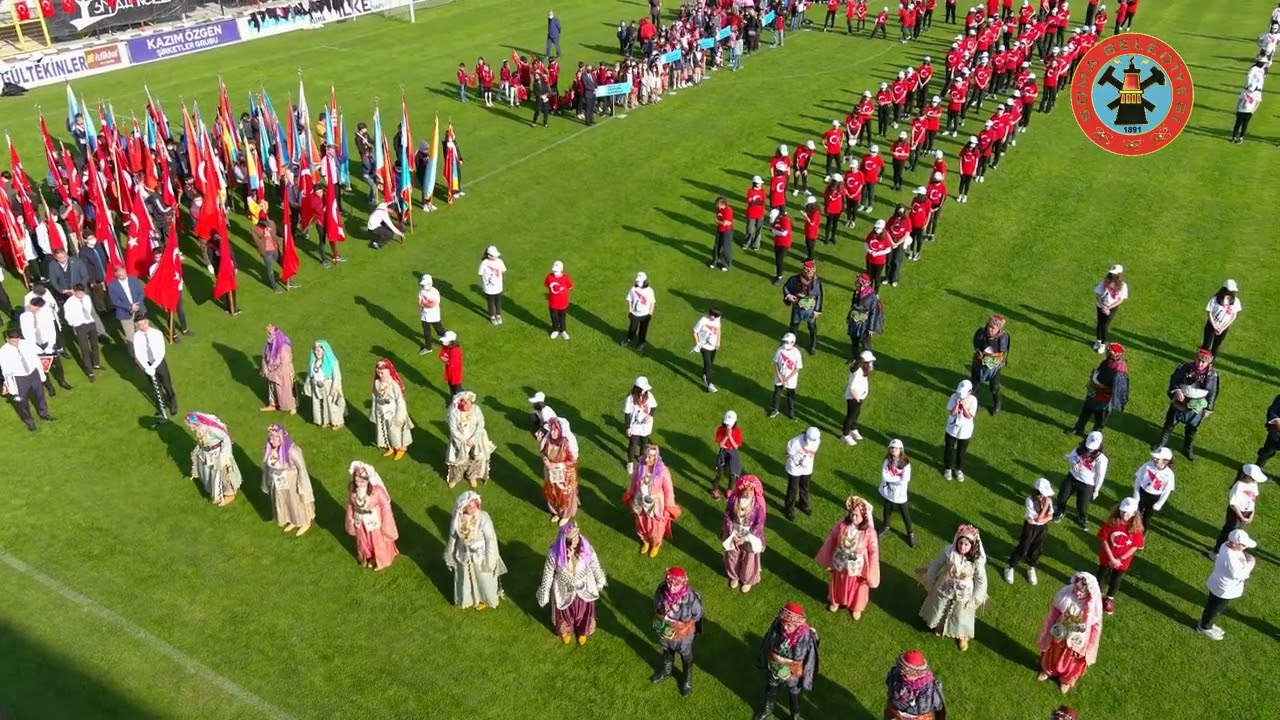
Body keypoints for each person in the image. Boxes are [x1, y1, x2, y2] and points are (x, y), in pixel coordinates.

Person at [918, 523, 988, 651]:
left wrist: (976, 597)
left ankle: (962, 635)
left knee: (961, 613)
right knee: (940, 606)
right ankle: (939, 626)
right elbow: (935, 564)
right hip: (945, 586)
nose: (962, 547)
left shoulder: (977, 560)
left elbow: (981, 580)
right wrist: (930, 581)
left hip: (964, 593)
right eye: (960, 543)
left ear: (972, 545)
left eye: (966, 544)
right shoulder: (949, 552)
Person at [536, 522, 608, 645]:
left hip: (583, 588)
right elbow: (548, 574)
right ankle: (566, 632)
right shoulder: (554, 554)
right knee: (564, 615)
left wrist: (600, 580)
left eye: (577, 536)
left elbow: (594, 564)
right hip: (563, 590)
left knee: (584, 613)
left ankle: (583, 631)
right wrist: (544, 593)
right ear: (565, 540)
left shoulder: (585, 547)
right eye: (573, 538)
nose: (576, 540)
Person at [815, 495, 881, 620]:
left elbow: (873, 551)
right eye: (852, 514)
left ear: (864, 516)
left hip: (857, 567)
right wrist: (827, 556)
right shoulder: (842, 524)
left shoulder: (869, 532)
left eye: (856, 515)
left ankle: (856, 607)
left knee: (857, 586)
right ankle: (836, 600)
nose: (853, 517)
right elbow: (832, 537)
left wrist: (871, 569)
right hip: (840, 562)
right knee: (838, 581)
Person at [751, 602, 820, 720]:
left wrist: (802, 677)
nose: (785, 627)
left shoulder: (805, 635)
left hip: (793, 672)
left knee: (794, 693)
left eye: (789, 625)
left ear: (797, 623)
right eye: (783, 623)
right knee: (771, 686)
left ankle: (795, 715)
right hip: (775, 665)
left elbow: (808, 657)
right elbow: (769, 641)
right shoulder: (777, 624)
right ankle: (767, 708)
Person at [1037, 572, 1103, 693]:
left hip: (1078, 638)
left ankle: (1066, 680)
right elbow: (1055, 611)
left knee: (1071, 659)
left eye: (1082, 584)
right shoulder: (1067, 593)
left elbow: (1095, 628)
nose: (1077, 585)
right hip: (1061, 630)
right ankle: (1048, 670)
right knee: (1054, 652)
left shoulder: (1093, 605)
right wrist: (1048, 630)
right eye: (1077, 582)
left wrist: (1089, 648)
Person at [444, 491, 507, 610]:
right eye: (469, 506)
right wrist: (449, 554)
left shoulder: (483, 518)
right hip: (464, 554)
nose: (472, 508)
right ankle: (470, 599)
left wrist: (490, 559)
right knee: (465, 578)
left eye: (474, 505)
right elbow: (452, 538)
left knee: (483, 578)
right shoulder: (457, 520)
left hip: (481, 555)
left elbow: (490, 539)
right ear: (463, 507)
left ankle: (486, 599)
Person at [1155, 349, 1219, 461]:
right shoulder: (1185, 367)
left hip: (1196, 407)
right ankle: (1161, 444)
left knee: (1191, 430)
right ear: (1196, 358)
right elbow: (1174, 380)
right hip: (1180, 401)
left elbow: (1213, 392)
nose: (1200, 364)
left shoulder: (1212, 375)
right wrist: (1177, 390)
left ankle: (1187, 449)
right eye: (1199, 360)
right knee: (1169, 425)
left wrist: (1209, 409)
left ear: (1209, 363)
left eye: (1204, 362)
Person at [649, 567, 703, 696]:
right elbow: (656, 604)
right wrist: (663, 608)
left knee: (685, 653)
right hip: (666, 630)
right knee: (667, 650)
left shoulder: (691, 598)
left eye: (676, 585)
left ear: (683, 583)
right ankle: (667, 670)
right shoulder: (662, 590)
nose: (671, 588)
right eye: (670, 583)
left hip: (683, 634)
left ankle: (687, 678)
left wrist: (682, 623)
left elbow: (697, 615)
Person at [1196, 529, 1256, 641]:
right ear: (1234, 544)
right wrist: (1250, 564)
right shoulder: (1230, 558)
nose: (1245, 547)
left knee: (1213, 606)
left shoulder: (1226, 545)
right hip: (1223, 589)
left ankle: (1207, 624)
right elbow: (1238, 575)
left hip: (1219, 583)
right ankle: (1204, 627)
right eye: (1243, 545)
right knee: (1215, 609)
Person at [623, 444, 681, 558]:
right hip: (640, 501)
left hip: (656, 505)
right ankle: (645, 541)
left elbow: (669, 490)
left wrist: (669, 507)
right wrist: (631, 496)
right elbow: (633, 483)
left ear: (656, 457)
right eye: (645, 456)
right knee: (641, 523)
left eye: (650, 457)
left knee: (656, 527)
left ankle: (655, 544)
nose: (646, 459)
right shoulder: (639, 468)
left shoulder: (663, 471)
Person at [261, 424, 315, 536]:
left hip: (292, 482)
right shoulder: (271, 450)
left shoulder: (292, 451)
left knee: (296, 501)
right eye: (270, 438)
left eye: (275, 438)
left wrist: (301, 485)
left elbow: (301, 469)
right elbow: (267, 467)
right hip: (278, 483)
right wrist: (267, 481)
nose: (272, 441)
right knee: (285, 501)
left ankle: (304, 521)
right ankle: (292, 520)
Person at [345, 461, 399, 571]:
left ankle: (381, 560)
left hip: (374, 522)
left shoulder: (377, 490)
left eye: (361, 481)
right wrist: (350, 519)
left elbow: (385, 505)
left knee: (377, 541)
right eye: (357, 481)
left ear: (368, 480)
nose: (359, 484)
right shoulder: (352, 489)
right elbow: (350, 504)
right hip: (360, 522)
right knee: (364, 540)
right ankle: (368, 557)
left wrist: (386, 522)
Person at [1096, 497, 1144, 615]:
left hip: (1122, 561)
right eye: (1123, 511)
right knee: (1102, 575)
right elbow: (1103, 539)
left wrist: (1119, 559)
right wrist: (1111, 558)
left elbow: (1135, 546)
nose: (1125, 514)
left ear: (1134, 513)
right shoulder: (1112, 522)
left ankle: (1109, 599)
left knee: (1116, 579)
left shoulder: (1136, 528)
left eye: (1128, 513)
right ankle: (1097, 596)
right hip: (1107, 557)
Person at [1069, 343, 1128, 435]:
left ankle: (1094, 438)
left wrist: (1099, 387)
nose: (1106, 353)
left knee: (1099, 421)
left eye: (1108, 351)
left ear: (1113, 354)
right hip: (1093, 394)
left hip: (1104, 400)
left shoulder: (1119, 372)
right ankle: (1078, 429)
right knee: (1085, 413)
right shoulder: (1107, 362)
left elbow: (1117, 390)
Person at [185, 412, 242, 507]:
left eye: (192, 426)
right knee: (208, 471)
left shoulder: (211, 430)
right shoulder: (201, 429)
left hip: (217, 453)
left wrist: (223, 457)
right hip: (207, 452)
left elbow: (225, 439)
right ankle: (213, 487)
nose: (191, 429)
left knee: (223, 474)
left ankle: (230, 493)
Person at [721, 473, 766, 592]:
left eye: (751, 490)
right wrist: (732, 533)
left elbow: (759, 524)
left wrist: (745, 538)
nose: (748, 492)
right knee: (732, 556)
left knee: (749, 559)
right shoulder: (734, 499)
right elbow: (727, 516)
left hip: (750, 536)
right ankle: (734, 576)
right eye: (745, 489)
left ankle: (747, 580)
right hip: (734, 533)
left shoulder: (758, 505)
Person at [1005, 478, 1055, 585]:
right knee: (1023, 548)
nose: (1044, 497)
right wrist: (1045, 508)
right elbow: (1037, 519)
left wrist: (1044, 517)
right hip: (1030, 527)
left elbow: (1050, 516)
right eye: (1042, 494)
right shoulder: (1030, 501)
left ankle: (1031, 567)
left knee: (1037, 549)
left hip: (1042, 528)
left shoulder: (1048, 500)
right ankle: (1010, 566)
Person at [0, 329, 52, 431]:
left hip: (33, 373)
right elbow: (6, 371)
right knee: (22, 401)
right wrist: (11, 388)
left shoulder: (27, 343)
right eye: (13, 341)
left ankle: (44, 414)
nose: (16, 343)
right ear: (7, 340)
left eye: (18, 339)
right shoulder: (3, 352)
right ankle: (29, 421)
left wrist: (42, 373)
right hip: (19, 378)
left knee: (40, 394)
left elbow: (38, 355)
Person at [1055, 431, 1108, 530]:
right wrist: (1074, 462)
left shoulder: (1102, 459)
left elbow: (1100, 475)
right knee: (1062, 497)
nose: (1090, 448)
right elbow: (1071, 456)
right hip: (1072, 477)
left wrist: (1096, 489)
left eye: (1093, 447)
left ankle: (1082, 518)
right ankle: (1060, 511)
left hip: (1087, 484)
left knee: (1082, 506)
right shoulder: (1080, 449)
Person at [446, 391, 497, 489]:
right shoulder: (454, 413)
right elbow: (453, 430)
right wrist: (464, 440)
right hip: (460, 441)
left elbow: (481, 424)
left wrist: (473, 439)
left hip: (476, 438)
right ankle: (456, 478)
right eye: (463, 401)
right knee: (459, 459)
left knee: (476, 457)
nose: (466, 404)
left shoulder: (476, 409)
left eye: (468, 401)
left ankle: (471, 476)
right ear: (458, 402)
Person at [1212, 463, 1266, 554]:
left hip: (1246, 513)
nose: (1254, 481)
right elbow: (1233, 504)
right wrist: (1241, 516)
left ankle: (1228, 548)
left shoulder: (1254, 484)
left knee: (1236, 532)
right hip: (1236, 513)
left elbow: (1253, 500)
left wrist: (1251, 514)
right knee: (1229, 532)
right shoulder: (1238, 486)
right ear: (1247, 476)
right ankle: (1216, 552)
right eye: (1253, 478)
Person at [132, 317, 178, 418]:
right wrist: (147, 367)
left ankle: (172, 403)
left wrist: (154, 366)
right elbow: (139, 354)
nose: (142, 327)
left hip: (159, 363)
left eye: (143, 324)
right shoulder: (137, 336)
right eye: (139, 325)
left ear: (147, 322)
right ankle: (162, 405)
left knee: (167, 385)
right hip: (147, 364)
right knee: (155, 385)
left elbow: (161, 352)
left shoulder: (157, 333)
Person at [885, 650, 947, 719]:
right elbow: (889, 682)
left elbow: (940, 709)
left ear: (917, 673)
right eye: (900, 670)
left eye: (906, 673)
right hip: (895, 711)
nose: (902, 674)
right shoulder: (896, 675)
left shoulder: (932, 690)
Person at [371, 358, 413, 460]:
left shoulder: (393, 385)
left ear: (389, 370)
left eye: (382, 368)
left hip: (393, 413)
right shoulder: (377, 383)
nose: (379, 370)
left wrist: (399, 416)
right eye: (378, 367)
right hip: (381, 411)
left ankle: (400, 448)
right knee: (384, 429)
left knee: (395, 431)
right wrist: (374, 411)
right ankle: (390, 446)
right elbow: (374, 397)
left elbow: (400, 400)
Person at [541, 417, 580, 526]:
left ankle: (565, 515)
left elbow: (572, 461)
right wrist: (546, 460)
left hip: (564, 475)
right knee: (552, 492)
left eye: (555, 430)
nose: (552, 432)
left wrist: (556, 465)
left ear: (560, 431)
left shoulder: (567, 443)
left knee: (564, 494)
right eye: (551, 429)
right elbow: (543, 452)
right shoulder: (548, 440)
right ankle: (556, 512)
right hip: (550, 473)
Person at [969, 314, 1009, 414]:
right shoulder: (981, 333)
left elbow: (1002, 354)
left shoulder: (1003, 337)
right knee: (975, 386)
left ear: (999, 329)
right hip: (978, 364)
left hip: (994, 368)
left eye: (993, 328)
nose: (990, 329)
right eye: (989, 326)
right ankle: (974, 405)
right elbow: (976, 347)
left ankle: (997, 405)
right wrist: (980, 355)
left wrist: (991, 358)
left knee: (994, 387)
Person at [782, 260, 824, 355]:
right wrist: (788, 296)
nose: (809, 274)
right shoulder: (794, 279)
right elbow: (786, 287)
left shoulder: (817, 282)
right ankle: (790, 343)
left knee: (812, 327)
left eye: (810, 272)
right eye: (807, 271)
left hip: (810, 309)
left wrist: (817, 310)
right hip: (797, 307)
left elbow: (819, 296)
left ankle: (812, 346)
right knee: (794, 326)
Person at [303, 340, 345, 430]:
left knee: (331, 404)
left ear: (324, 350)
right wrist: (307, 386)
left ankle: (338, 422)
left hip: (328, 386)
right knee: (319, 404)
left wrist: (334, 389)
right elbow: (310, 374)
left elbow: (337, 376)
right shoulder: (313, 361)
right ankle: (324, 421)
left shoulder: (332, 361)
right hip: (316, 386)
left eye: (319, 350)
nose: (316, 352)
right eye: (315, 350)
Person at [782, 427, 821, 520]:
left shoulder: (817, 441)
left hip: (807, 468)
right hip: (794, 468)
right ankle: (789, 509)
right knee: (793, 489)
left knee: (805, 487)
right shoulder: (795, 442)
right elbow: (787, 453)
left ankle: (803, 504)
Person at [942, 379, 977, 481]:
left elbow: (969, 416)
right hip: (952, 428)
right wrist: (957, 406)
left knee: (961, 451)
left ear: (969, 392)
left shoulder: (973, 400)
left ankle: (958, 469)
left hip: (965, 430)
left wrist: (964, 407)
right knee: (949, 449)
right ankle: (947, 468)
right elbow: (952, 413)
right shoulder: (954, 397)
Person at [62, 285, 99, 381]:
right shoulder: (69, 303)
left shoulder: (87, 298)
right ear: (74, 292)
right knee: (84, 348)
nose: (81, 295)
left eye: (82, 292)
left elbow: (89, 309)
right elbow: (67, 316)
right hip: (80, 325)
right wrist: (74, 324)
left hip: (90, 322)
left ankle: (96, 363)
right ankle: (90, 372)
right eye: (79, 293)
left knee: (94, 344)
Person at [1133, 446, 1175, 529]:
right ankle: (1133, 529)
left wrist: (1159, 503)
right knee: (1137, 513)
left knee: (1147, 518)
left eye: (1157, 459)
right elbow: (1138, 480)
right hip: (1143, 492)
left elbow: (1166, 491)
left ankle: (1142, 535)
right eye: (1154, 458)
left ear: (1165, 461)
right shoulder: (1147, 466)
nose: (1154, 460)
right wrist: (1136, 494)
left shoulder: (1169, 474)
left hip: (1154, 497)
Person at [623, 375, 658, 473]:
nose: (645, 391)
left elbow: (654, 406)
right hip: (635, 427)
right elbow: (627, 414)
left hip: (645, 427)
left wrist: (650, 416)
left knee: (644, 444)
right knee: (633, 444)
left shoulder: (649, 396)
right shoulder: (630, 399)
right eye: (643, 389)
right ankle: (630, 462)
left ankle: (642, 458)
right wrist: (627, 427)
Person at [259, 325, 296, 414]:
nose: (268, 335)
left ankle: (292, 406)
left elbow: (284, 364)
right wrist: (266, 369)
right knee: (272, 388)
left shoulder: (283, 347)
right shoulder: (269, 345)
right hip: (271, 371)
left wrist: (274, 374)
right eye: (267, 333)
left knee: (286, 389)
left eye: (269, 333)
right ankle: (273, 404)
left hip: (283, 373)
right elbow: (264, 357)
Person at [769, 333, 805, 420]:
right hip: (780, 376)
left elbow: (797, 368)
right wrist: (779, 374)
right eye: (784, 341)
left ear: (793, 342)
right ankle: (775, 409)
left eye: (787, 342)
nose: (785, 343)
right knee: (777, 393)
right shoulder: (780, 350)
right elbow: (775, 362)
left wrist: (788, 378)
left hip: (791, 379)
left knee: (790, 396)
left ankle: (791, 413)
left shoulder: (796, 353)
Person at [842, 351, 875, 445]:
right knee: (851, 416)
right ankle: (845, 434)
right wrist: (858, 399)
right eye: (870, 362)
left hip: (858, 397)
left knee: (856, 414)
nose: (871, 364)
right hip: (854, 398)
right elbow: (853, 388)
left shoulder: (862, 370)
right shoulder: (858, 372)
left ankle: (853, 428)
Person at [845, 273, 883, 354]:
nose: (857, 284)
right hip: (854, 320)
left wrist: (871, 329)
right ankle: (855, 357)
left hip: (864, 323)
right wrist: (849, 317)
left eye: (859, 283)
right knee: (854, 339)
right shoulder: (857, 291)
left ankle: (868, 361)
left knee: (865, 342)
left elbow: (873, 312)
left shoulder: (872, 297)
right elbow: (853, 305)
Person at [1092, 264, 1127, 351]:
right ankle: (1098, 341)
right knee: (1099, 323)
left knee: (1105, 325)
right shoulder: (1105, 281)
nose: (1112, 275)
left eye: (1115, 274)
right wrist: (1103, 305)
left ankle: (1103, 344)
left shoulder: (1122, 286)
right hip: (1101, 305)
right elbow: (1098, 293)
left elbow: (1120, 300)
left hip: (1111, 308)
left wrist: (1108, 307)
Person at [1201, 279, 1241, 355]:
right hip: (1211, 325)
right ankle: (1200, 362)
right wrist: (1214, 325)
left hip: (1224, 327)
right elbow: (1209, 312)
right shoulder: (1215, 300)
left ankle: (1210, 364)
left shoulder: (1236, 301)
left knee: (1216, 347)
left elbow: (1233, 315)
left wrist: (1224, 327)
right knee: (1206, 345)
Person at [107, 265, 146, 341]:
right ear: (116, 275)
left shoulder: (133, 280)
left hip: (138, 310)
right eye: (121, 275)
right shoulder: (112, 286)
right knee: (130, 337)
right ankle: (133, 352)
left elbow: (141, 293)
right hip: (124, 314)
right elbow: (115, 301)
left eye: (125, 274)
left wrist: (137, 304)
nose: (124, 276)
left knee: (142, 334)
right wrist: (129, 307)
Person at [711, 411, 743, 499]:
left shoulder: (737, 431)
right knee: (720, 473)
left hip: (732, 452)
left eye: (729, 424)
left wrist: (730, 437)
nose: (727, 426)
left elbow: (736, 446)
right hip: (723, 451)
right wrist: (726, 436)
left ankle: (729, 489)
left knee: (733, 474)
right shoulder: (721, 429)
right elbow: (721, 445)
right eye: (726, 424)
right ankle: (714, 489)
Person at [691, 307, 722, 393]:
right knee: (708, 364)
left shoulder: (717, 319)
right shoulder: (703, 321)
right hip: (704, 346)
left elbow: (718, 329)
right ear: (711, 315)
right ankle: (710, 384)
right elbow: (694, 331)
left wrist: (718, 342)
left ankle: (705, 374)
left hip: (713, 346)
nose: (716, 318)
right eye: (715, 317)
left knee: (710, 363)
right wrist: (698, 343)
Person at [623, 271, 656, 350]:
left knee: (643, 329)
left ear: (645, 281)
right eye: (637, 281)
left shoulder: (649, 291)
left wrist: (650, 314)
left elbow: (652, 302)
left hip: (645, 315)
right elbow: (629, 300)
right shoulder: (633, 289)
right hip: (635, 313)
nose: (638, 283)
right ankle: (629, 339)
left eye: (640, 281)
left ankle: (641, 342)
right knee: (632, 328)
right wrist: (630, 312)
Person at [417, 275, 447, 354]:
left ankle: (449, 341)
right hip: (424, 315)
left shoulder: (435, 292)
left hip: (434, 315)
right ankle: (428, 347)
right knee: (426, 332)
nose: (424, 286)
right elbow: (420, 302)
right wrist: (424, 304)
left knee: (440, 330)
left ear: (431, 283)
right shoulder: (421, 291)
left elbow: (433, 304)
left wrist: (424, 304)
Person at [478, 246, 507, 326]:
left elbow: (503, 270)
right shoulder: (484, 263)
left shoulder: (499, 261)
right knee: (491, 302)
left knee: (498, 301)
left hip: (498, 286)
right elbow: (480, 273)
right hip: (489, 288)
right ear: (489, 256)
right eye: (494, 256)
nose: (496, 257)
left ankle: (498, 314)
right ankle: (492, 316)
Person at [544, 260, 573, 339]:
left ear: (561, 270)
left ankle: (563, 330)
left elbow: (570, 286)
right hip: (553, 304)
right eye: (554, 271)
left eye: (556, 271)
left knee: (562, 317)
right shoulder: (549, 277)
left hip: (563, 304)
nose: (554, 273)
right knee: (554, 317)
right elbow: (547, 285)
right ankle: (556, 330)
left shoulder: (566, 278)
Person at [710, 196, 734, 271]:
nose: (716, 205)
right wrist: (718, 222)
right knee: (717, 246)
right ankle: (714, 262)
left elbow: (725, 223)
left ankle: (726, 265)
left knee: (726, 248)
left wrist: (717, 221)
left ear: (722, 204)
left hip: (727, 231)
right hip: (719, 230)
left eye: (717, 204)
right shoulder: (718, 209)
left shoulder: (728, 210)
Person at [439, 331, 464, 397]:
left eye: (445, 340)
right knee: (451, 387)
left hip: (455, 374)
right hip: (449, 371)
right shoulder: (445, 347)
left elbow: (451, 362)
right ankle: (454, 399)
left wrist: (446, 360)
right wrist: (447, 360)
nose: (443, 342)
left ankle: (461, 402)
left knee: (458, 389)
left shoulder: (455, 350)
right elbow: (441, 356)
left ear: (451, 341)